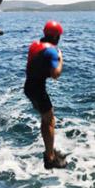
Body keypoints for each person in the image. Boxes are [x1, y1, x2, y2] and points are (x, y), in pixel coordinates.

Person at [24, 21, 67, 170]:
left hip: (29, 87)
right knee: (50, 120)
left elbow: (37, 64)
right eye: (59, 36)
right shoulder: (52, 51)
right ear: (56, 36)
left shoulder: (35, 44)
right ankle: (50, 159)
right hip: (37, 89)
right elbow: (56, 74)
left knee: (46, 117)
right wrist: (60, 58)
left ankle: (49, 151)